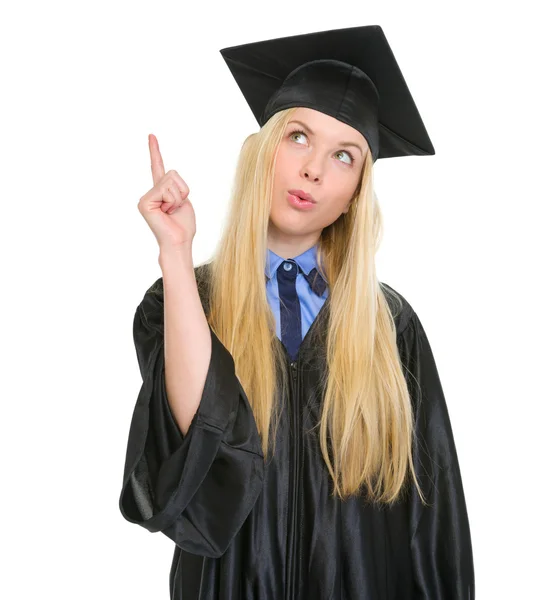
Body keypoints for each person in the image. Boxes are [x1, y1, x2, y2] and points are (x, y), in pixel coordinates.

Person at [119, 25, 475, 600]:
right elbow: (193, 434)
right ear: (263, 152)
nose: (314, 169)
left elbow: (433, 525)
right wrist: (176, 256)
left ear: (358, 188)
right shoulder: (184, 300)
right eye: (298, 137)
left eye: (343, 155)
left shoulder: (392, 327)